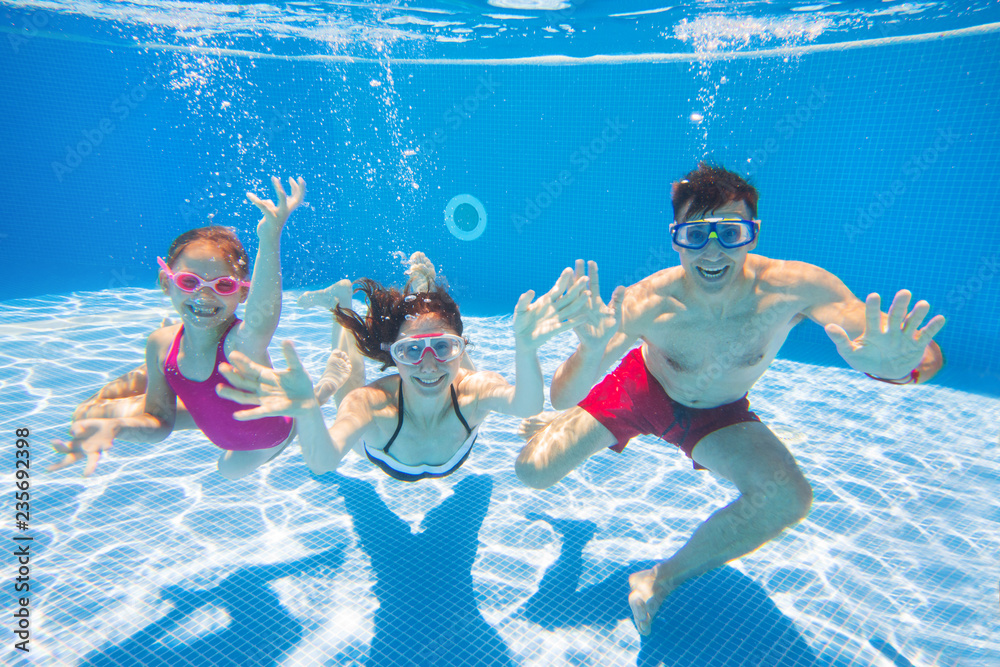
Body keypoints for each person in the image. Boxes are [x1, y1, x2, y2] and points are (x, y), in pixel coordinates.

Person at [514, 163, 946, 635]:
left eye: (730, 232)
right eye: (697, 235)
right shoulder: (646, 302)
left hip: (717, 415)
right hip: (642, 390)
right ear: (676, 238)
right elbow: (561, 395)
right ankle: (565, 441)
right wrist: (592, 352)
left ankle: (661, 578)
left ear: (753, 234)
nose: (714, 251)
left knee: (788, 497)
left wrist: (900, 368)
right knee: (532, 471)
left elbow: (917, 355)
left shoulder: (796, 287)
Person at [51, 176, 346, 479]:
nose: (204, 296)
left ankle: (320, 392)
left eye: (222, 285)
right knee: (86, 415)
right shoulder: (160, 343)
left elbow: (262, 316)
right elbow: (159, 421)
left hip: (268, 436)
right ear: (167, 283)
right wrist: (115, 429)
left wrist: (270, 236)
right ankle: (170, 393)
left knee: (229, 470)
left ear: (242, 292)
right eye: (189, 282)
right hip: (212, 412)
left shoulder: (241, 344)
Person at [216, 259, 588, 481]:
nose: (428, 364)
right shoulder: (370, 405)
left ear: (460, 344)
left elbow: (526, 405)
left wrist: (526, 346)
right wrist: (308, 411)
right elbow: (323, 460)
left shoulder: (474, 389)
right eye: (410, 351)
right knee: (350, 374)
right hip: (380, 450)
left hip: (458, 407)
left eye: (443, 347)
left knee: (462, 374)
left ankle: (424, 299)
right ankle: (342, 305)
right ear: (394, 356)